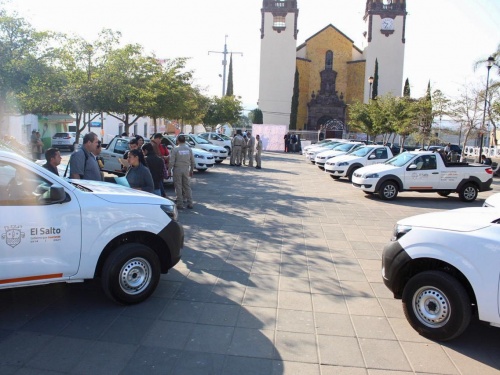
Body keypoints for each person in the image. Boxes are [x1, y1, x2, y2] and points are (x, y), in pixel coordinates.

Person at [170, 134, 195, 209]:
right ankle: (190, 202)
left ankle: (180, 203)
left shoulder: (175, 149)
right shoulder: (189, 149)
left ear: (178, 140)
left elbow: (172, 161)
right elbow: (193, 161)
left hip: (177, 169)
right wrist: (191, 170)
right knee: (187, 186)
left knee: (178, 186)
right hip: (186, 169)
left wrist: (169, 170)